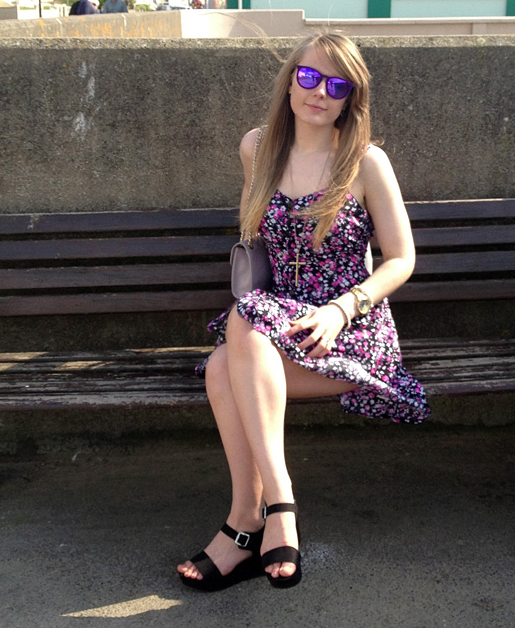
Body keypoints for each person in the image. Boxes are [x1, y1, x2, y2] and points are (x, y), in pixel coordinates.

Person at [177, 33, 430, 592]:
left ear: (349, 99)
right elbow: (257, 236)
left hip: (349, 326)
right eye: (309, 77)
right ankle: (262, 513)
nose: (318, 92)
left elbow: (401, 259)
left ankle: (256, 518)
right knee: (230, 354)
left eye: (335, 85)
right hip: (277, 319)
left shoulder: (365, 161)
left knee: (237, 340)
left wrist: (342, 309)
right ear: (291, 79)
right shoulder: (257, 148)